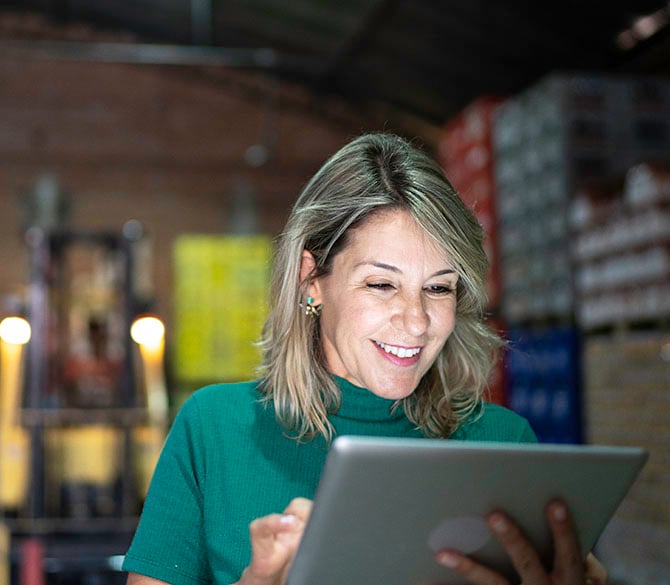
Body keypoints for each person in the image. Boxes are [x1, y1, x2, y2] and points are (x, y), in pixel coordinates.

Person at [122, 133, 607, 585]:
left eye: (438, 288)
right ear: (312, 280)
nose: (416, 321)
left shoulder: (504, 443)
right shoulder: (214, 430)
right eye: (381, 284)